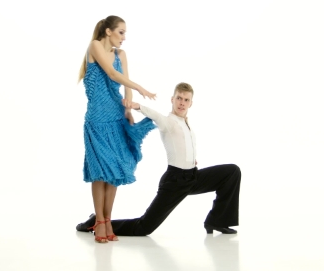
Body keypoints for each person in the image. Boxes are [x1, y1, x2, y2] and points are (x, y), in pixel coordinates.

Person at [76, 82, 241, 237]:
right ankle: (97, 222)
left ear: (191, 103)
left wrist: (191, 159)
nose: (182, 103)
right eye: (179, 98)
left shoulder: (186, 124)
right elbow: (157, 116)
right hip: (175, 182)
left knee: (232, 172)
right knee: (144, 227)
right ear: (172, 100)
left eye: (186, 100)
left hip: (192, 177)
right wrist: (139, 106)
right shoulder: (168, 122)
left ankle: (217, 221)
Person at [78, 15, 157, 243]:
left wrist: (129, 106)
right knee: (100, 171)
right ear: (108, 32)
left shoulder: (121, 55)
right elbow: (113, 74)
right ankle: (99, 220)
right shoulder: (94, 47)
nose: (124, 38)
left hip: (116, 118)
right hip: (96, 120)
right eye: (121, 32)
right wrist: (140, 87)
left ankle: (108, 219)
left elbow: (124, 80)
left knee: (113, 173)